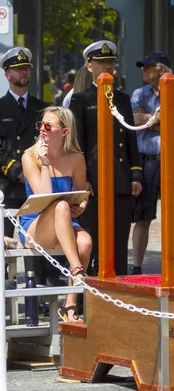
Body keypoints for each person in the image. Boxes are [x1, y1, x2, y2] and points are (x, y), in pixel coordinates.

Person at [69, 40, 143, 276]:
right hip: (93, 184)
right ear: (89, 66)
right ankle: (86, 298)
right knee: (91, 242)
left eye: (110, 61)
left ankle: (117, 296)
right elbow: (78, 144)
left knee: (119, 244)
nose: (107, 66)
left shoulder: (122, 98)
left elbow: (130, 139)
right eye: (101, 63)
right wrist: (84, 179)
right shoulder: (80, 99)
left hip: (120, 181)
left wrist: (135, 174)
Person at [20, 107, 91, 323]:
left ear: (64, 132)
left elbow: (83, 192)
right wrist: (45, 164)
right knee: (59, 206)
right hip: (36, 225)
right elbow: (43, 198)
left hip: (66, 220)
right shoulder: (30, 157)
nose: (42, 129)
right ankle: (78, 271)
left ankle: (69, 304)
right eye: (40, 124)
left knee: (86, 243)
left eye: (49, 126)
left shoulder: (76, 158)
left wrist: (82, 205)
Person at [130, 51, 174, 274]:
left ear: (162, 69)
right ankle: (137, 266)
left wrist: (151, 121)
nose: (144, 70)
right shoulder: (139, 94)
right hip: (146, 162)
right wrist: (162, 120)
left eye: (148, 66)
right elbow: (135, 119)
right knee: (143, 217)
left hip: (173, 161)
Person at [0, 47, 49, 286]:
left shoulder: (43, 108)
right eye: (18, 69)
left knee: (35, 243)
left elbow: (49, 143)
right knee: (5, 245)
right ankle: (4, 291)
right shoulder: (0, 107)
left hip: (35, 186)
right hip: (8, 188)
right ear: (7, 74)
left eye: (26, 68)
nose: (23, 72)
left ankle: (36, 292)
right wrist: (14, 169)